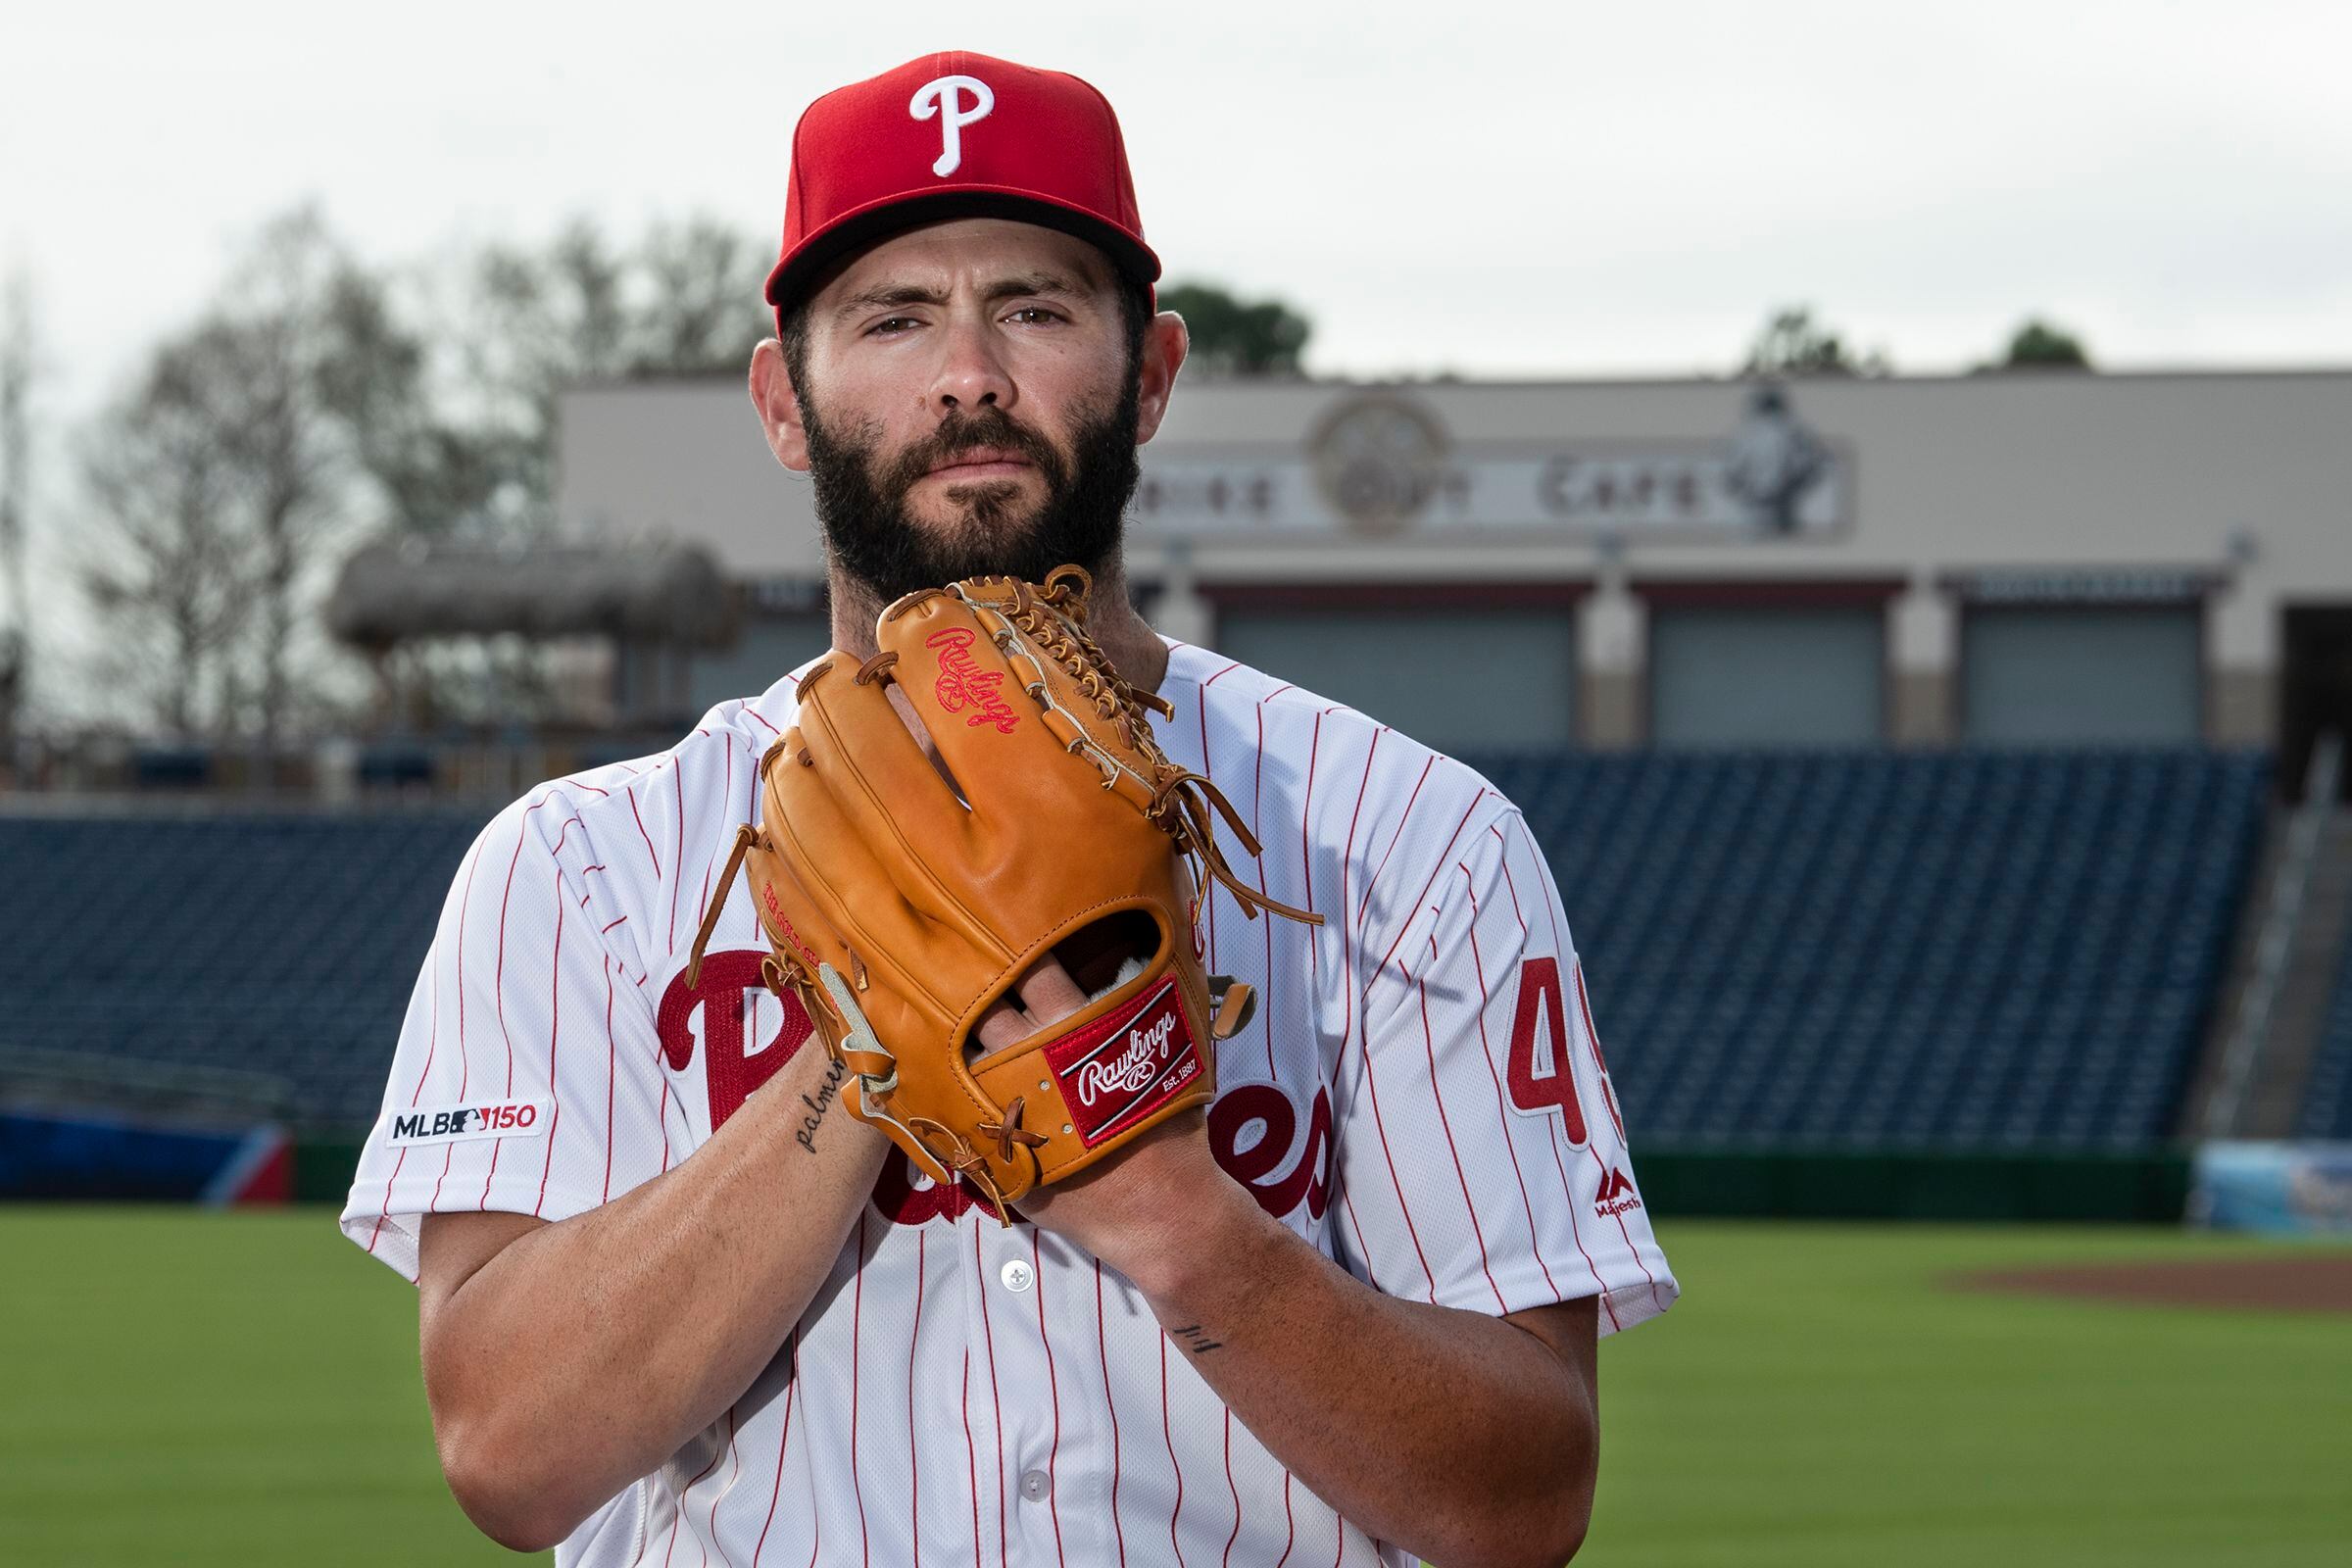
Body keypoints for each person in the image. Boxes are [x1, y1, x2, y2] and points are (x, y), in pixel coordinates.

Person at [340, 50, 1676, 1568]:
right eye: (893, 317)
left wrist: (1166, 1203)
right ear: (786, 399)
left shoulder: (1408, 842)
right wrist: (883, 1037)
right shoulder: (575, 865)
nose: (967, 372)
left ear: (1153, 374)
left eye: (1033, 308)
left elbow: (1522, 1501)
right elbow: (510, 1458)